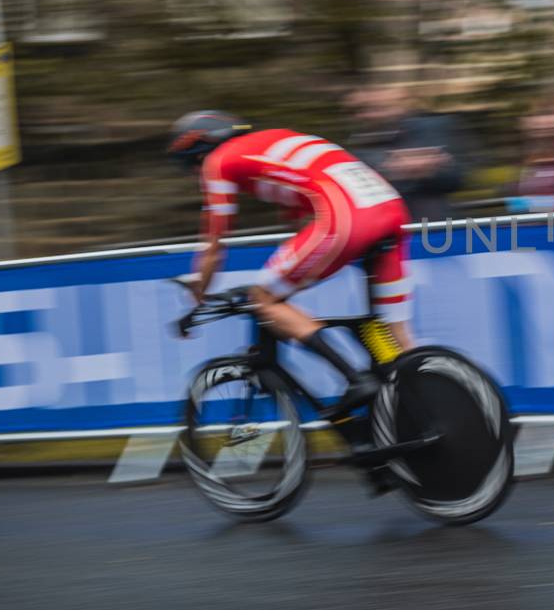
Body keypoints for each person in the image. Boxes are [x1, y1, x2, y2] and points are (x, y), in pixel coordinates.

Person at [166, 110, 415, 432]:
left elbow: (215, 242)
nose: (196, 175)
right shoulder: (271, 144)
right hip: (391, 209)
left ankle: (356, 379)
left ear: (199, 149)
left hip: (350, 216)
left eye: (192, 166)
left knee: (264, 298)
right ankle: (430, 400)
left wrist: (199, 292)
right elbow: (298, 223)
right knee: (398, 337)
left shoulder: (218, 161)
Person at [346, 83, 464, 224]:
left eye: (381, 107)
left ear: (401, 103)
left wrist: (425, 170)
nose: (371, 114)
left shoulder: (430, 128)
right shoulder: (360, 142)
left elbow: (458, 176)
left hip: (435, 226)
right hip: (387, 228)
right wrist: (396, 169)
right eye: (367, 109)